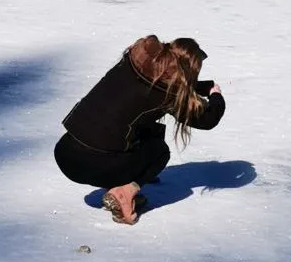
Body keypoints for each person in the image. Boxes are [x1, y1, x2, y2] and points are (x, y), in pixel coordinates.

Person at [54, 35, 226, 225]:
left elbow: (156, 84)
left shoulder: (131, 62)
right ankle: (125, 191)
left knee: (146, 127)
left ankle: (122, 181)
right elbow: (207, 120)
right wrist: (216, 95)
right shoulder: (167, 93)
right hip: (93, 166)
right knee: (159, 152)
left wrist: (198, 87)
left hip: (65, 152)